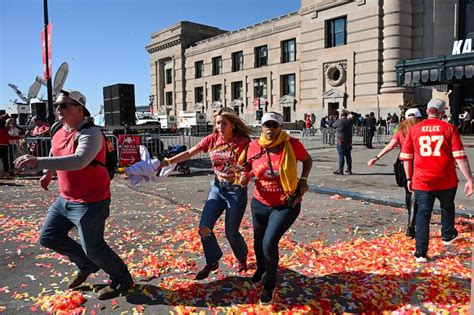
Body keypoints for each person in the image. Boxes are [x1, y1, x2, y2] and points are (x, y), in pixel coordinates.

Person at [14, 90, 133, 300]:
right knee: (48, 237)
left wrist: (37, 161)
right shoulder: (58, 128)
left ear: (79, 108)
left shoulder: (91, 133)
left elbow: (79, 161)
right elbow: (55, 150)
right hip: (65, 199)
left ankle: (122, 278)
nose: (58, 109)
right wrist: (47, 173)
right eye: (57, 105)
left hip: (91, 201)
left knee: (94, 248)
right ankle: (86, 264)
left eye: (64, 105)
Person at [159, 107, 253, 280]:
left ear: (232, 124)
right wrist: (168, 161)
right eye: (217, 123)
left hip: (236, 191)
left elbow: (251, 165)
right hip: (217, 189)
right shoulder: (211, 140)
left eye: (224, 123)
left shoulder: (243, 141)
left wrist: (245, 175)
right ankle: (212, 260)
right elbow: (189, 153)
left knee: (231, 232)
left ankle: (242, 257)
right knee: (204, 228)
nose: (220, 127)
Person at [242, 112, 312, 304]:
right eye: (267, 125)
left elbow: (307, 160)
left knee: (269, 242)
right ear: (261, 127)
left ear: (281, 127)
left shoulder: (291, 144)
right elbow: (248, 167)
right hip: (260, 202)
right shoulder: (254, 146)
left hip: (286, 203)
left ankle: (269, 286)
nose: (270, 129)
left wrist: (304, 179)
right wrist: (245, 176)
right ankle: (262, 268)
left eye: (274, 125)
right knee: (258, 241)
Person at [400, 99, 473, 263]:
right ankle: (447, 234)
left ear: (427, 111)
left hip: (422, 180)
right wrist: (470, 179)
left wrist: (409, 178)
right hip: (446, 179)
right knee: (447, 206)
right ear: (442, 113)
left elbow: (407, 158)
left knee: (423, 214)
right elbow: (460, 156)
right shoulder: (449, 128)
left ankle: (420, 252)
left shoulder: (414, 130)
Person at [367, 108, 423, 237]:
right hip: (420, 161)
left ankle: (411, 220)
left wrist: (377, 157)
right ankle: (414, 221)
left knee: (408, 192)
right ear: (419, 118)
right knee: (420, 192)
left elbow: (391, 146)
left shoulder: (401, 130)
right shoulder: (421, 129)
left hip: (403, 162)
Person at [333, 111, 353, 175]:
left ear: (341, 116)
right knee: (348, 156)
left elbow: (333, 125)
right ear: (346, 116)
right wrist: (350, 113)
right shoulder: (349, 121)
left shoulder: (339, 121)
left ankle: (340, 170)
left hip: (340, 141)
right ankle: (349, 170)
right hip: (348, 141)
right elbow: (356, 117)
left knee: (341, 156)